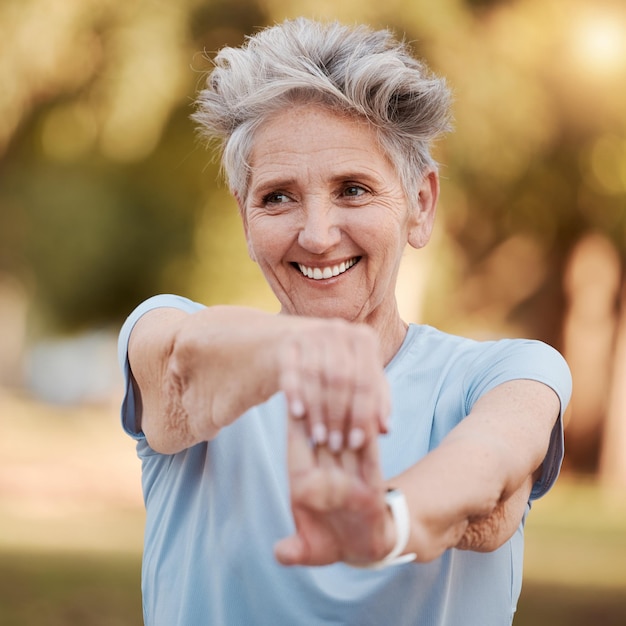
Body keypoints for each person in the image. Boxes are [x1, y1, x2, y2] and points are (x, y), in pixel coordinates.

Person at [118, 18, 572, 626]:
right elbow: (179, 369)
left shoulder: (507, 371)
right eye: (277, 196)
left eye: (353, 189)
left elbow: (491, 472)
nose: (317, 234)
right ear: (244, 216)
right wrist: (302, 352)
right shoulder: (168, 329)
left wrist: (380, 524)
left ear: (420, 205)